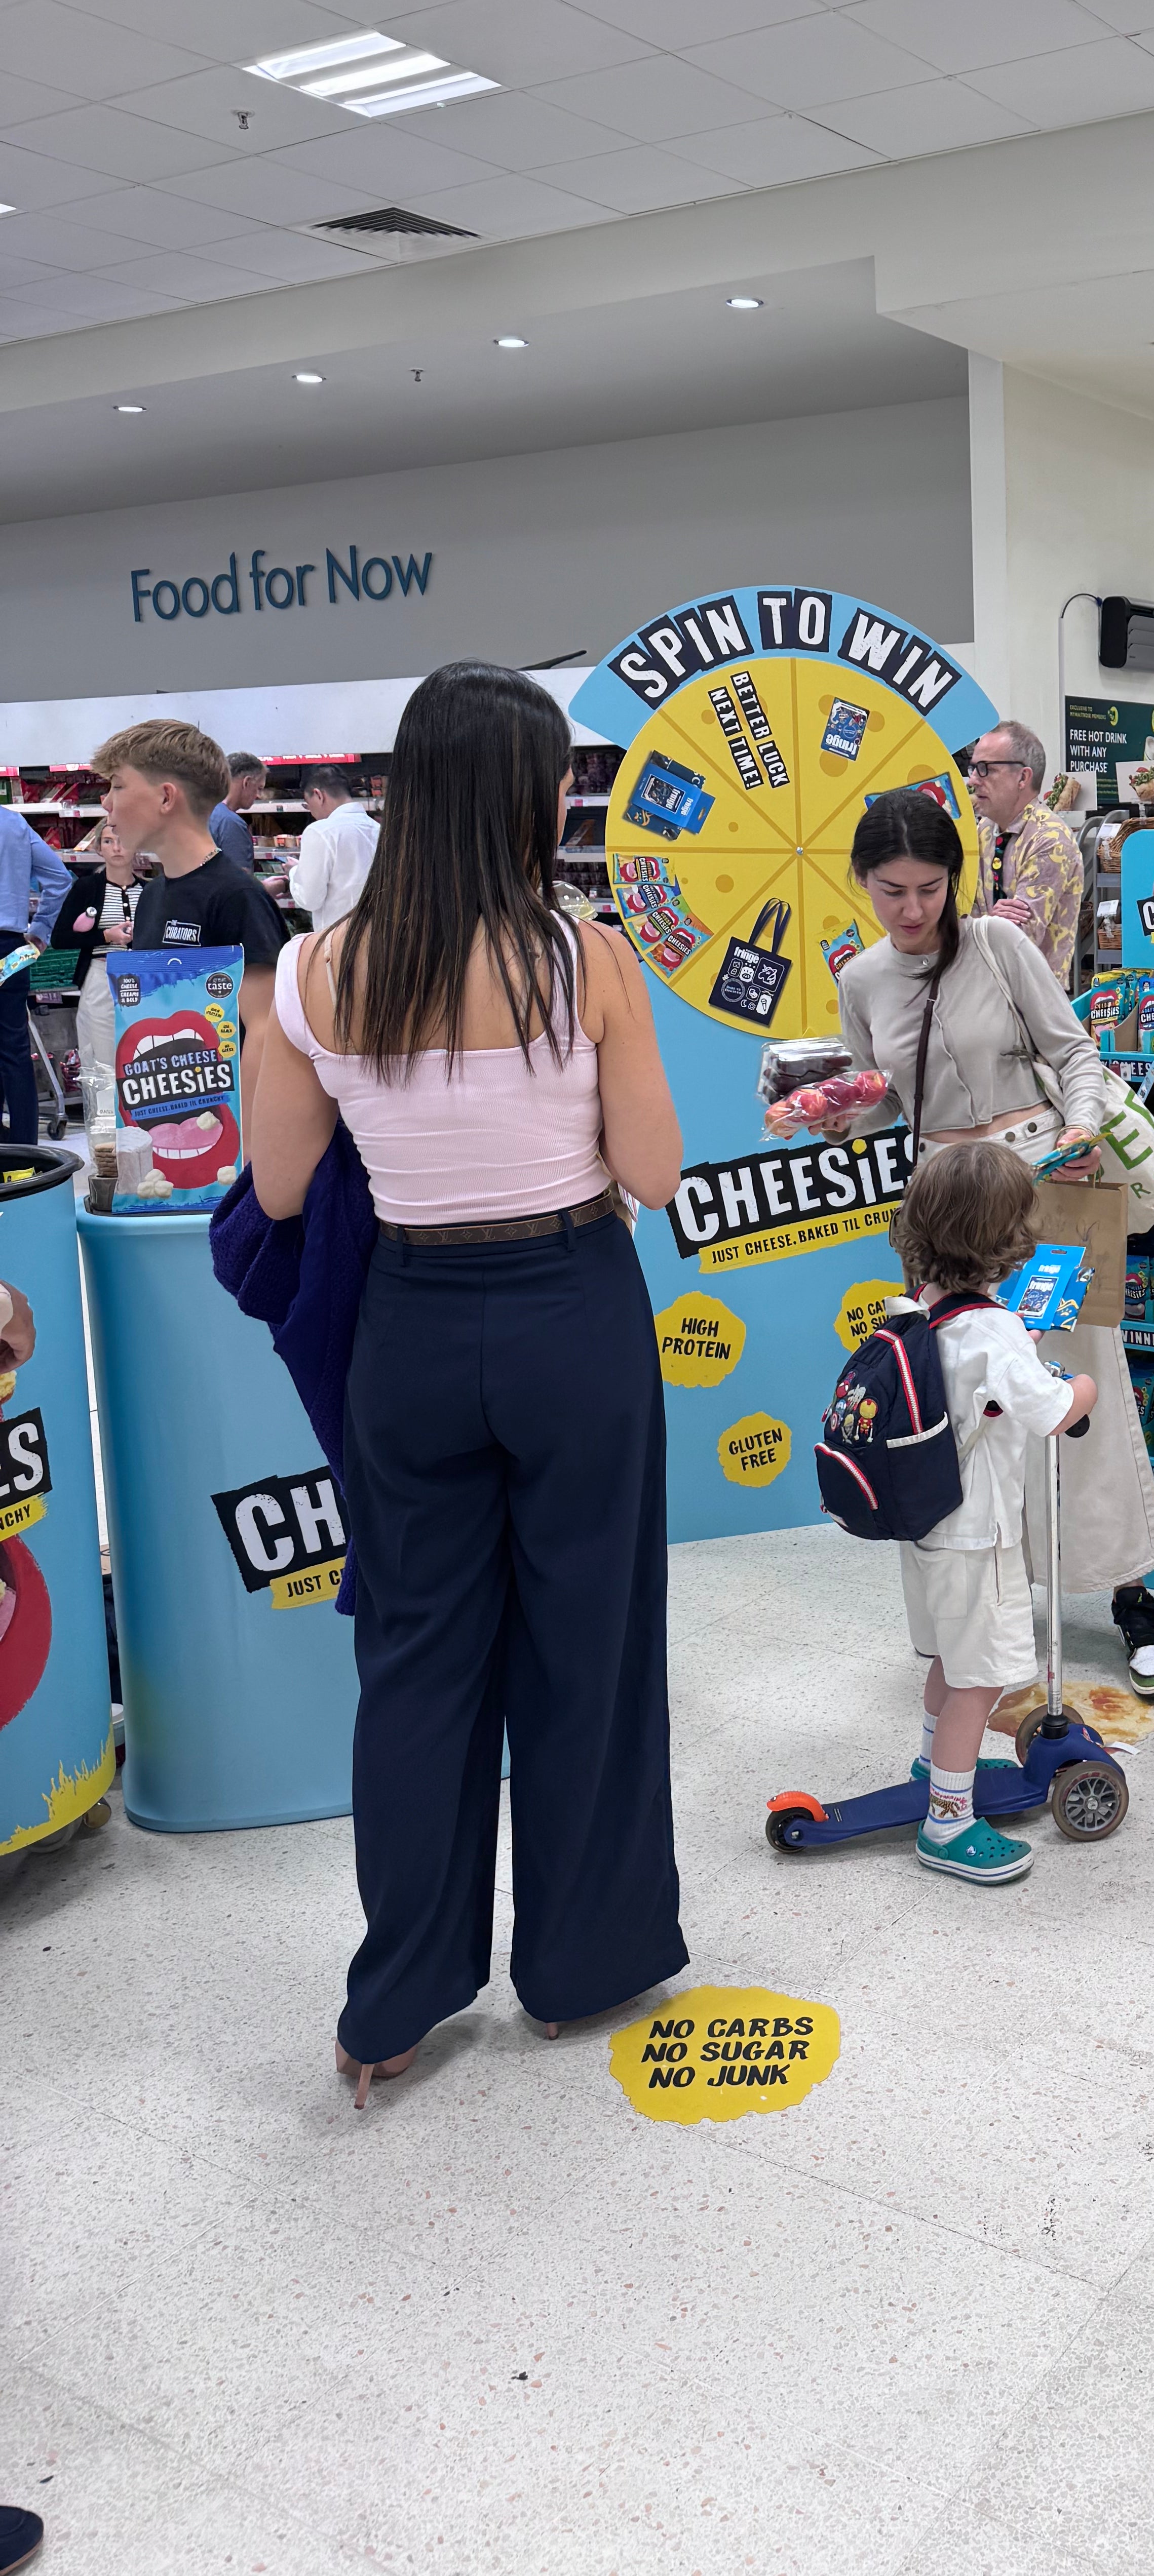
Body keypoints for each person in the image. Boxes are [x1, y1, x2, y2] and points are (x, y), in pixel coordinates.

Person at [245, 662, 688, 2106]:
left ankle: (397, 2002)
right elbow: (651, 1174)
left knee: (419, 1664)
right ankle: (578, 1970)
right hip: (572, 1313)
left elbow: (282, 1180)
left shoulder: (314, 970)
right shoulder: (589, 958)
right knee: (590, 1649)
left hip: (411, 1333)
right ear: (521, 792)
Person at [832, 789, 1154, 1700]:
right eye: (890, 890)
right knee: (959, 1417)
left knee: (1080, 1396)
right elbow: (875, 1101)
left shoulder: (998, 944)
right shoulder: (862, 980)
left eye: (929, 887)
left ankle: (1131, 1599)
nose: (912, 911)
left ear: (956, 877)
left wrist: (1083, 1124)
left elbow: (1076, 1054)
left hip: (1045, 1194)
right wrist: (829, 1109)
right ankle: (971, 1619)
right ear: (863, 884)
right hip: (940, 1216)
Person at [887, 1141, 1098, 1882]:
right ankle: (948, 1823)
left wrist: (1020, 1354)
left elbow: (972, 1385)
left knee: (952, 1656)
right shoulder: (998, 1329)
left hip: (927, 1525)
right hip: (982, 1535)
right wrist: (1081, 1391)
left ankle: (929, 1765)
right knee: (981, 1682)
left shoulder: (922, 1310)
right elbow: (1047, 1411)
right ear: (1012, 1240)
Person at [91, 721, 286, 1119]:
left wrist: (247, 1151)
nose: (107, 804)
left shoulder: (236, 898)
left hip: (228, 1141)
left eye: (118, 785)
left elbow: (267, 1034)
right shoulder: (152, 897)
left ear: (166, 797)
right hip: (165, 1123)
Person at [968, 722, 1084, 982]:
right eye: (973, 768)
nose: (973, 780)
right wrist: (984, 922)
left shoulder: (1050, 839)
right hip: (985, 991)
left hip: (1032, 1004)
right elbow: (960, 910)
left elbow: (1016, 939)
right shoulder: (985, 830)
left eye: (986, 769)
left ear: (1023, 778)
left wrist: (975, 924)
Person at [50, 820, 143, 1142]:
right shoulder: (86, 889)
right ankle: (105, 1147)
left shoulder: (152, 889)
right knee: (102, 1066)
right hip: (101, 976)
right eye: (108, 841)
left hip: (145, 982)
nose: (116, 847)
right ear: (99, 848)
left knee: (141, 1059)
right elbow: (60, 937)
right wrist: (106, 935)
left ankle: (141, 1137)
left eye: (122, 839)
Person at [0, 799, 67, 1150]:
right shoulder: (14, 826)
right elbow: (59, 879)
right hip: (9, 947)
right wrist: (40, 929)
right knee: (13, 1049)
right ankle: (25, 1155)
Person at [290, 763, 379, 927]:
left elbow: (310, 900)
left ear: (319, 795)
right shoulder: (378, 829)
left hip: (336, 942)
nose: (311, 812)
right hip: (376, 936)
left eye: (308, 804)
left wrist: (294, 872)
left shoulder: (320, 832)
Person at [208, 750, 263, 866]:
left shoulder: (201, 812)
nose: (259, 795)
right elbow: (239, 882)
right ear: (247, 782)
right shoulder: (231, 824)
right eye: (259, 788)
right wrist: (268, 885)